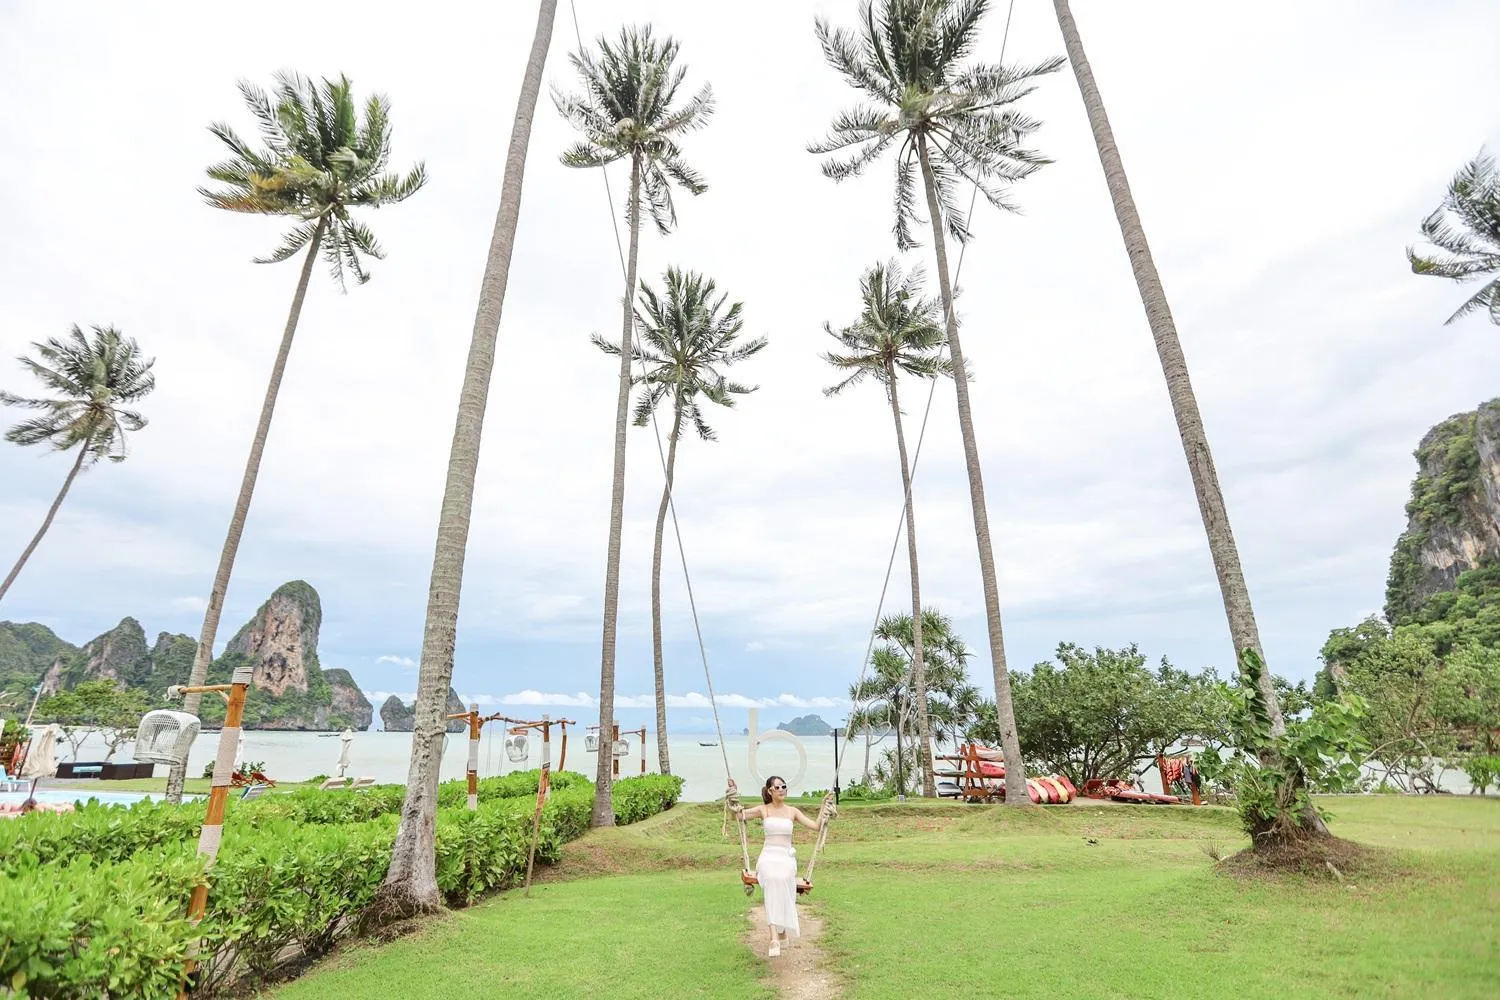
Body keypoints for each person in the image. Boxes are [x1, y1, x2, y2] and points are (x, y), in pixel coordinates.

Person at [731, 775, 823, 957]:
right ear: (770, 791)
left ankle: (781, 931)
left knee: (783, 878)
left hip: (786, 857)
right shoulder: (763, 810)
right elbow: (739, 816)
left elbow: (816, 826)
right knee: (772, 878)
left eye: (784, 786)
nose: (782, 790)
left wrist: (824, 809)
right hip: (768, 856)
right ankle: (774, 935)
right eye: (778, 787)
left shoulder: (792, 812)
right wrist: (732, 797)